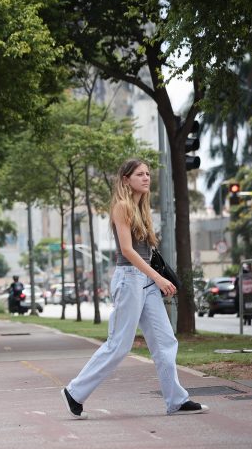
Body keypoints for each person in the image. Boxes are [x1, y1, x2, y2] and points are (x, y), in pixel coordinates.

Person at [61, 159, 209, 419]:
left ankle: (176, 400)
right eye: (140, 174)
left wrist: (155, 278)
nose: (146, 178)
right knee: (119, 345)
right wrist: (159, 278)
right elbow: (127, 251)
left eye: (148, 174)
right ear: (126, 179)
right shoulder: (122, 206)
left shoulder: (142, 208)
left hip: (146, 280)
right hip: (129, 279)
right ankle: (74, 392)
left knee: (165, 341)